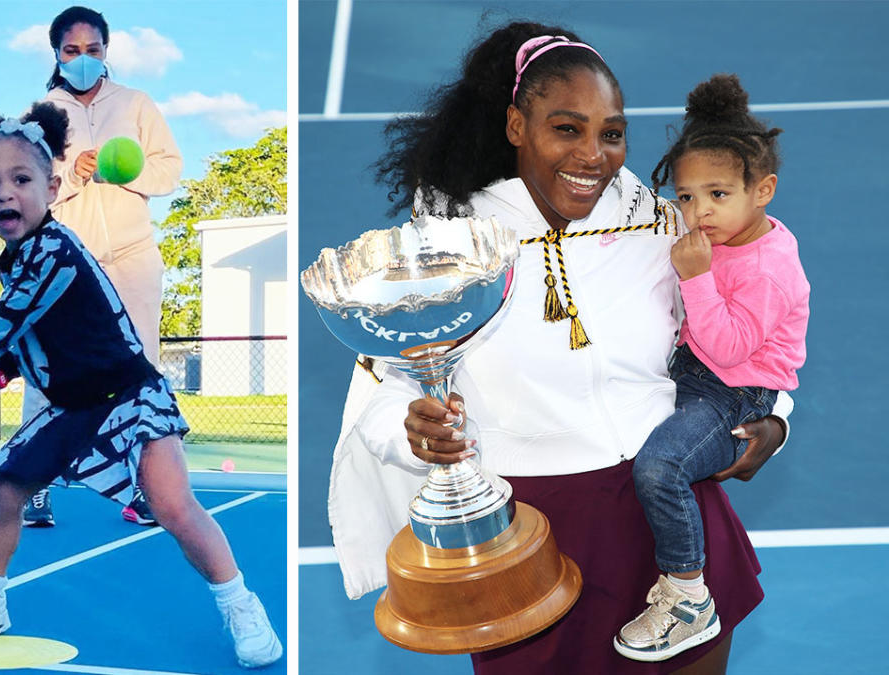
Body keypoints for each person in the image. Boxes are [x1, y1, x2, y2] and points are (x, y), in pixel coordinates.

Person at [328, 23, 790, 674]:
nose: (594, 156)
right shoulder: (449, 245)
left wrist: (775, 421)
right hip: (533, 544)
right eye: (567, 128)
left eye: (611, 133)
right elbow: (386, 390)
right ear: (517, 126)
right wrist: (417, 431)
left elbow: (747, 325)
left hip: (672, 531)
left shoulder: (660, 224)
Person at [0, 104, 282, 669]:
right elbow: (35, 342)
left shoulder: (53, 249)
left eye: (21, 180)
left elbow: (8, 317)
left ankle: (241, 604)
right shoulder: (16, 259)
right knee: (6, 489)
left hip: (127, 395)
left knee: (173, 505)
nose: (5, 195)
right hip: (71, 405)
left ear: (51, 186)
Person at [613, 74, 809, 662]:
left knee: (660, 466)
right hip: (694, 373)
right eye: (687, 196)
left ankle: (687, 595)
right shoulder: (718, 236)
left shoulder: (766, 268)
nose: (698, 213)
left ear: (763, 190)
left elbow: (727, 349)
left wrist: (697, 278)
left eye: (718, 195)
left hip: (733, 392)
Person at [22, 6, 182, 529]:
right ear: (57, 55)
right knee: (49, 371)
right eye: (72, 51)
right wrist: (71, 172)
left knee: (142, 373)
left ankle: (146, 491)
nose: (84, 60)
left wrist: (124, 168)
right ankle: (35, 486)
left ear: (106, 52)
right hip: (71, 259)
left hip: (134, 256)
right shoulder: (41, 114)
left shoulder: (136, 103)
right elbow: (27, 188)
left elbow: (169, 170)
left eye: (93, 50)